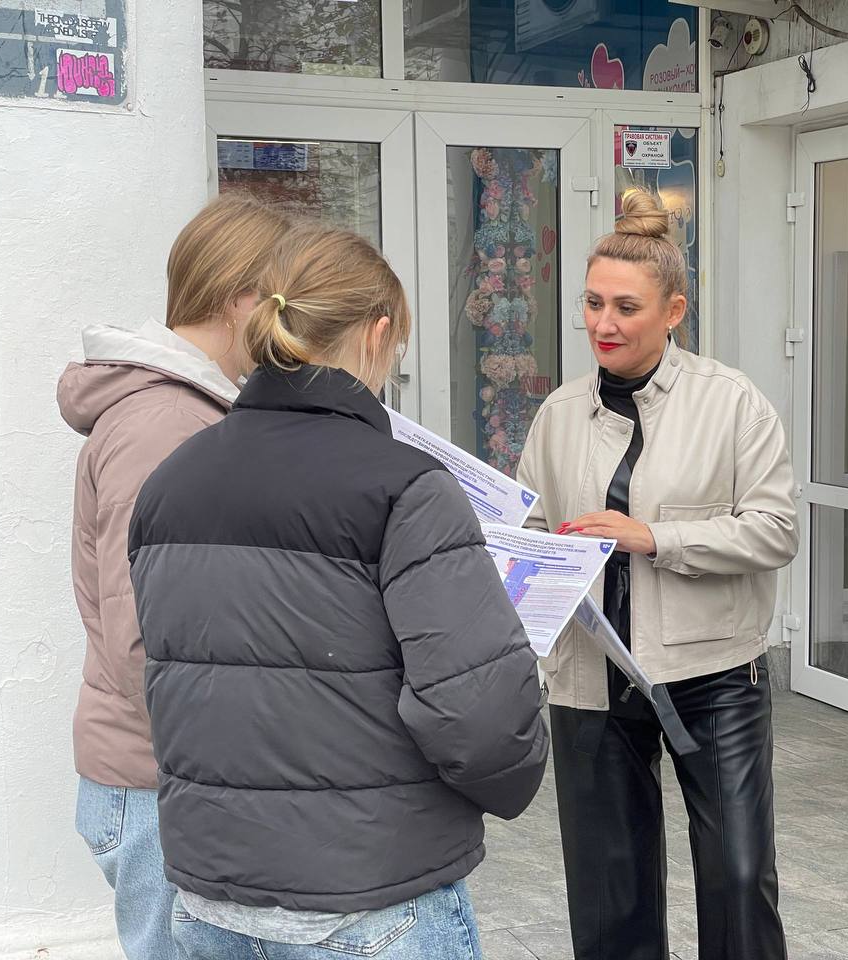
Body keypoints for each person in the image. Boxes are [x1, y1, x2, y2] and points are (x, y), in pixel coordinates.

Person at [127, 223, 549, 959]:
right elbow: (480, 715)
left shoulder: (169, 483)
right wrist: (510, 783)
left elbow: (172, 680)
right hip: (371, 897)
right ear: (379, 334)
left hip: (210, 895)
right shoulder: (405, 487)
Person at [516, 190, 798, 960]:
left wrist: (652, 538)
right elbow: (531, 531)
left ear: (674, 311)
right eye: (593, 303)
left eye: (626, 307)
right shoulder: (559, 414)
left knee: (739, 879)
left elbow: (776, 530)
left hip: (714, 673)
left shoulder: (731, 403)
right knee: (611, 895)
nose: (603, 323)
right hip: (589, 675)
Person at [57, 194, 289, 959]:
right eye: (285, 302)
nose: (293, 328)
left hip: (172, 780)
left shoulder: (194, 411)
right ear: (240, 297)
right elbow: (144, 636)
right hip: (161, 785)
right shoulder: (164, 422)